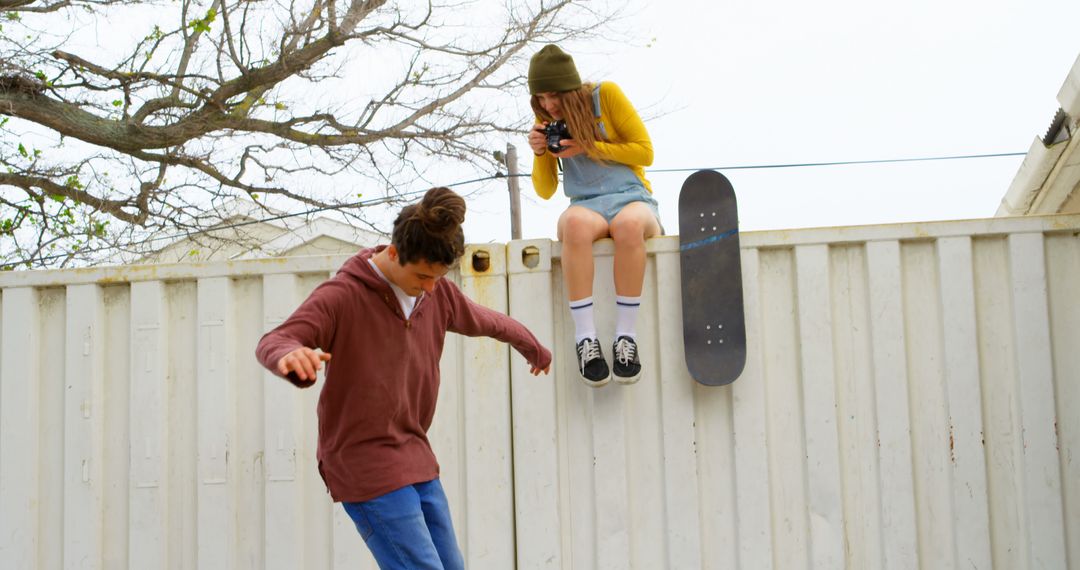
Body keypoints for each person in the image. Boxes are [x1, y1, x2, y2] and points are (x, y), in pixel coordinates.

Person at [255, 187, 551, 569]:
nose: (430, 288)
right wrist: (290, 355)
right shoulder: (342, 296)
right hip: (363, 463)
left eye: (438, 278)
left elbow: (487, 320)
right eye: (423, 276)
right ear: (393, 253)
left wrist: (532, 346)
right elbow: (275, 339)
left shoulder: (437, 293)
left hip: (415, 455)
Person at [526, 44, 662, 387]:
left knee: (628, 227)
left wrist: (589, 146)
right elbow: (544, 191)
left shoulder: (606, 97)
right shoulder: (547, 123)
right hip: (586, 204)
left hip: (631, 197)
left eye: (554, 95)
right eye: (541, 98)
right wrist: (541, 152)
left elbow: (645, 152)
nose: (548, 104)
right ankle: (586, 340)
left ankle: (625, 339)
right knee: (572, 224)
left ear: (570, 88)